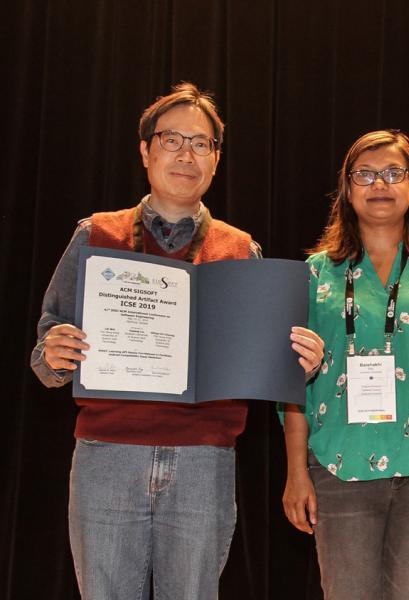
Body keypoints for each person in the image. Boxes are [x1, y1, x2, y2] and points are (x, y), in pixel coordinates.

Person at [30, 83, 323, 600]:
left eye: (202, 143)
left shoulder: (241, 250)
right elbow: (48, 340)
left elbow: (270, 358)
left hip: (203, 460)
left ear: (216, 160)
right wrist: (54, 354)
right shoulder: (95, 235)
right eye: (173, 140)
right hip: (107, 455)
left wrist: (301, 362)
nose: (187, 154)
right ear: (145, 151)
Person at [280, 130, 409, 600]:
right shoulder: (314, 274)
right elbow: (289, 386)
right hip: (340, 462)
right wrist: (296, 471)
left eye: (392, 173)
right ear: (346, 188)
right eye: (364, 173)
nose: (379, 184)